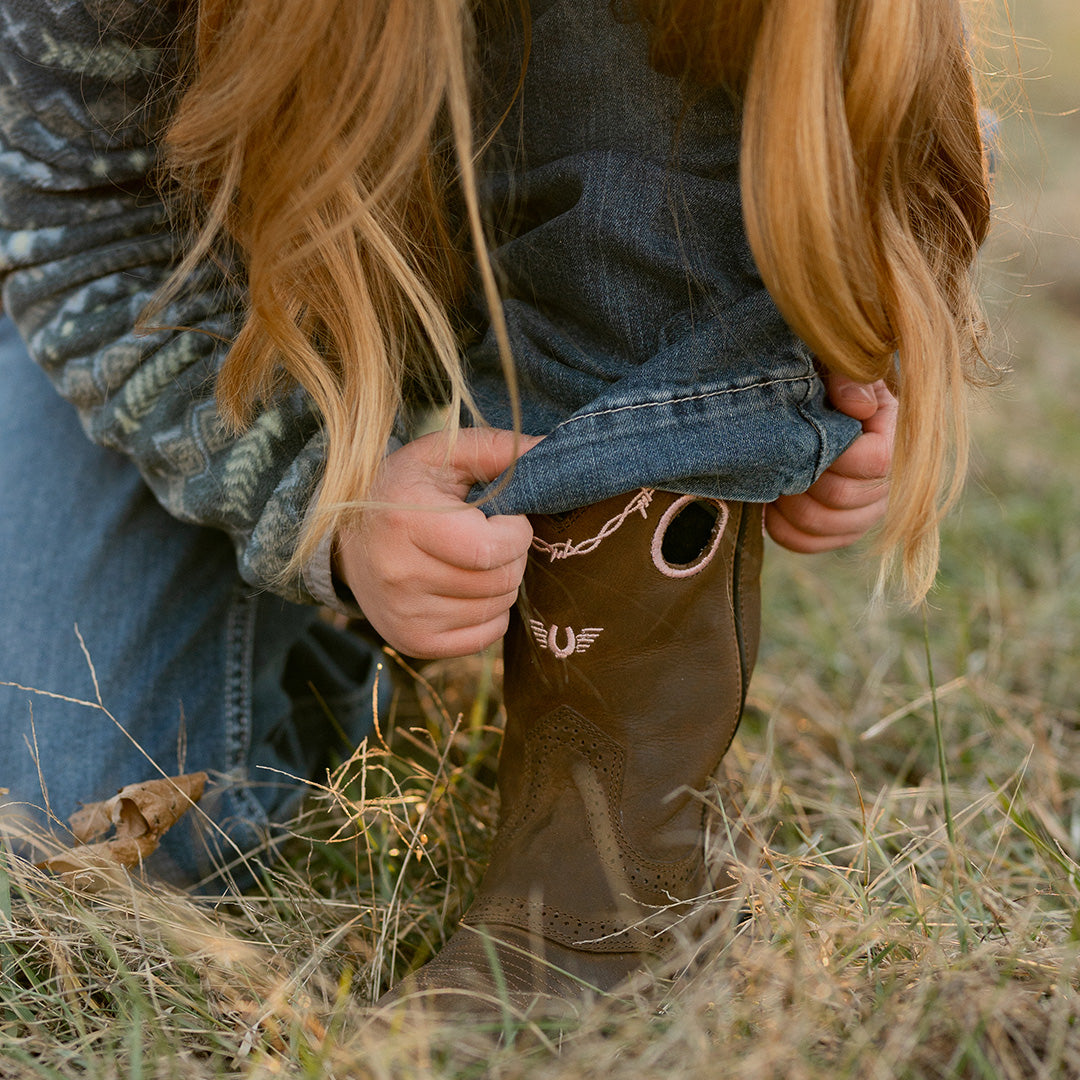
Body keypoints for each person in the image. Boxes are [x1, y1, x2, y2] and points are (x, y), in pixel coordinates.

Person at [0, 0, 989, 1009]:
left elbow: (884, 72)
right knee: (65, 823)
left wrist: (847, 345)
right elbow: (80, 220)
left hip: (597, 203)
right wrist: (322, 505)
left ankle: (604, 875)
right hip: (207, 280)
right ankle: (352, 635)